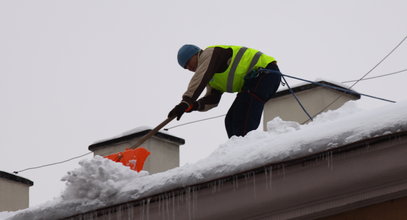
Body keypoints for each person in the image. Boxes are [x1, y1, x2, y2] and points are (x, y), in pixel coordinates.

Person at [168, 44, 281, 138]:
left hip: (266, 73)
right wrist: (195, 105)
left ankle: (246, 147)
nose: (188, 68)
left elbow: (200, 78)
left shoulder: (210, 54)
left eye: (188, 62)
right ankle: (236, 149)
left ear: (195, 54)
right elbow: (212, 99)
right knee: (230, 120)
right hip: (252, 84)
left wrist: (185, 102)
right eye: (185, 67)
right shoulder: (211, 77)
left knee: (243, 113)